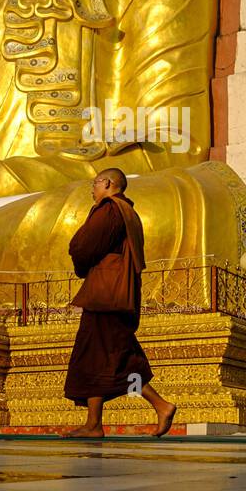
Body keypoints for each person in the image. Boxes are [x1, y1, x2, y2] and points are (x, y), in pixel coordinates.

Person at [61, 168, 176, 438]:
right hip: (116, 293)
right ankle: (93, 424)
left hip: (107, 295)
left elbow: (84, 246)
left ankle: (161, 405)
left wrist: (79, 259)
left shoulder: (111, 209)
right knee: (99, 356)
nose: (92, 190)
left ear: (109, 184)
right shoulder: (130, 212)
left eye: (95, 184)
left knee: (114, 356)